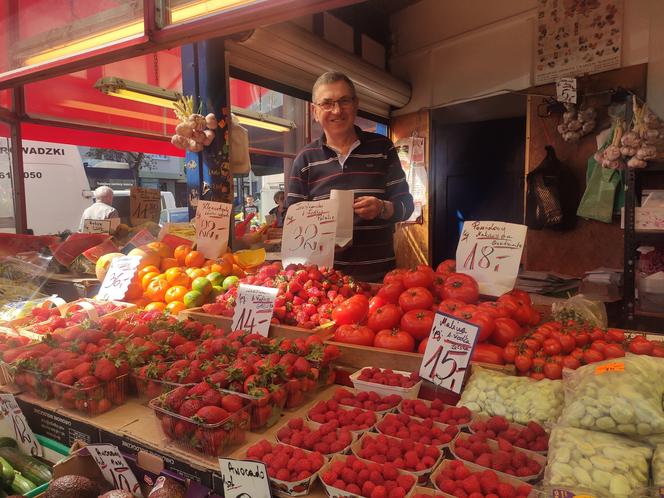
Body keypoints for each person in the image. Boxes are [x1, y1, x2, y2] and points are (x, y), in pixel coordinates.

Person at [285, 71, 414, 282]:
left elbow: (406, 206)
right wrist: (320, 238)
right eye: (327, 103)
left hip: (378, 279)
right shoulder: (305, 159)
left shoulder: (383, 148)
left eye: (344, 101)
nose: (337, 110)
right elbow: (291, 221)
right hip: (323, 283)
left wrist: (382, 208)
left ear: (356, 104)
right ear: (315, 111)